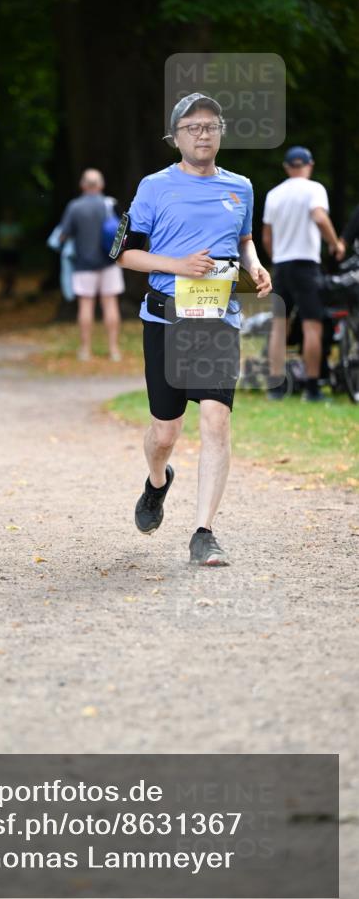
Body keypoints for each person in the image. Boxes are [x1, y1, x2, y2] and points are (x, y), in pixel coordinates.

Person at [115, 92, 271, 566]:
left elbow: (243, 241)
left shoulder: (241, 187)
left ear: (221, 132)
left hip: (217, 321)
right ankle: (157, 481)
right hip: (164, 317)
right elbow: (127, 254)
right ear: (176, 137)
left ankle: (204, 531)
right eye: (193, 127)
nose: (203, 134)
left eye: (211, 126)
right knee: (165, 432)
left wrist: (256, 266)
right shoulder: (154, 187)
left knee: (216, 421)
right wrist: (179, 265)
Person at [262, 146, 344, 402]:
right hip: (306, 265)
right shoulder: (314, 189)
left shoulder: (274, 194)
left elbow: (266, 236)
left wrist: (276, 257)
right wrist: (335, 243)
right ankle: (311, 388)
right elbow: (319, 217)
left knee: (278, 326)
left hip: (282, 265)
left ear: (287, 167)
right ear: (309, 165)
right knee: (312, 326)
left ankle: (276, 387)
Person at [58, 168, 124, 362]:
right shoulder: (109, 204)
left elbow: (64, 235)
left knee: (86, 306)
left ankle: (86, 350)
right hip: (109, 263)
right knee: (110, 305)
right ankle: (114, 350)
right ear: (101, 185)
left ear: (83, 185)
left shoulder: (75, 207)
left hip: (83, 264)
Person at [0, 207, 23, 298]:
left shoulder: (16, 226)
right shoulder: (1, 226)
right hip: (4, 251)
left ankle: (11, 289)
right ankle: (5, 288)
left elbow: (19, 239)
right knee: (3, 271)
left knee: (13, 271)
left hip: (13, 251)